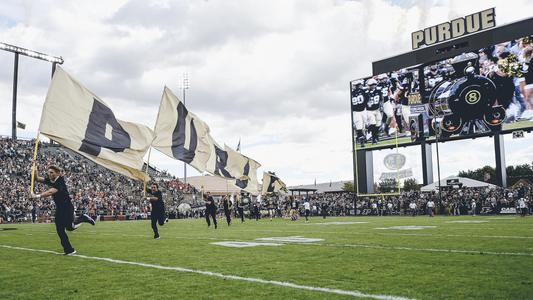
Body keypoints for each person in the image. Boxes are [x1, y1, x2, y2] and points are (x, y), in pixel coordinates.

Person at [31, 165, 95, 255]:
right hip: (60, 209)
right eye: (48, 172)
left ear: (58, 173)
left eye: (51, 172)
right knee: (59, 230)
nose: (49, 174)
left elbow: (51, 192)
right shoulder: (51, 180)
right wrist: (35, 169)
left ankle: (83, 217)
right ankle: (69, 250)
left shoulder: (60, 181)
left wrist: (37, 196)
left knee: (70, 228)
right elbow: (37, 179)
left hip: (67, 208)